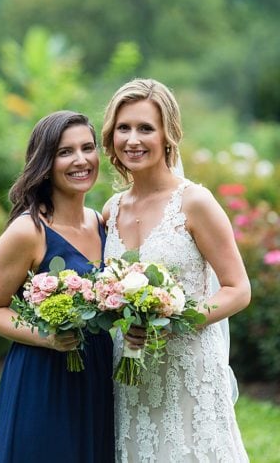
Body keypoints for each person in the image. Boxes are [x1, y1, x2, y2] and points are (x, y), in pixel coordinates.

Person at [101, 78, 249, 462]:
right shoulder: (111, 210)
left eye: (145, 128)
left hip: (189, 368)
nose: (133, 139)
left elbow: (237, 288)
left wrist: (173, 319)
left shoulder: (195, 202)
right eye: (124, 128)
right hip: (131, 370)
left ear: (168, 134)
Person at [0, 111, 114, 462]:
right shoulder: (29, 231)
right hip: (44, 374)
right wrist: (48, 337)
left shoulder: (102, 223)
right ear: (45, 162)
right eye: (65, 152)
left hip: (96, 370)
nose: (81, 160)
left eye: (87, 147)